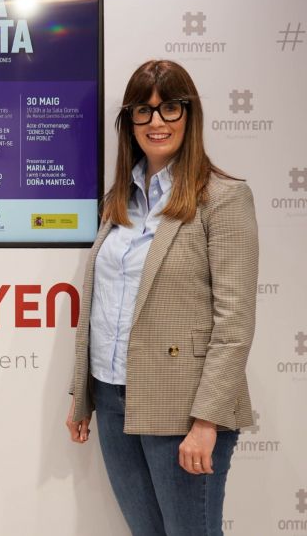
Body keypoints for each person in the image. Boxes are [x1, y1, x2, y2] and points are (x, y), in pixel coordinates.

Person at [65, 60, 258, 535]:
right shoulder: (119, 199)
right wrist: (82, 396)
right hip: (112, 397)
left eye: (170, 107)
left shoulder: (224, 198)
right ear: (129, 122)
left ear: (189, 115)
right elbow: (103, 305)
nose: (156, 121)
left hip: (184, 407)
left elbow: (234, 322)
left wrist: (207, 421)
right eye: (143, 110)